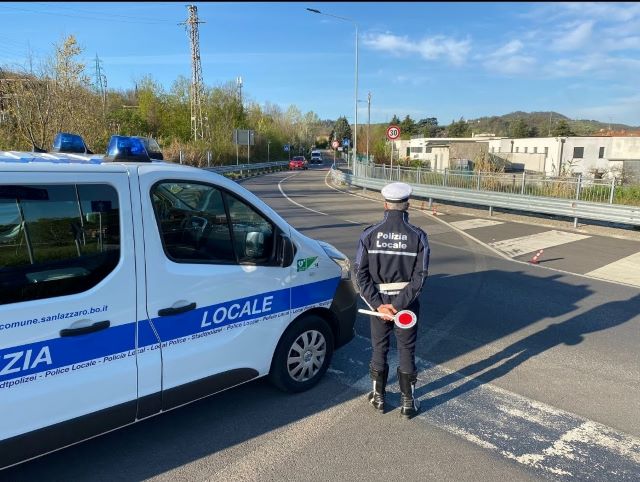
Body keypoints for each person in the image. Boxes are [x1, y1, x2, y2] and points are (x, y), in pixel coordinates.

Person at [354, 182, 430, 418]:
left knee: (379, 347)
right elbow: (420, 278)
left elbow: (359, 274)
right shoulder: (419, 236)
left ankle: (378, 398)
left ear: (385, 204)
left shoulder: (369, 234)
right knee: (406, 349)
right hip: (406, 304)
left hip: (378, 304)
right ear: (408, 205)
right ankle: (408, 403)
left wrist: (379, 305)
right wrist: (397, 306)